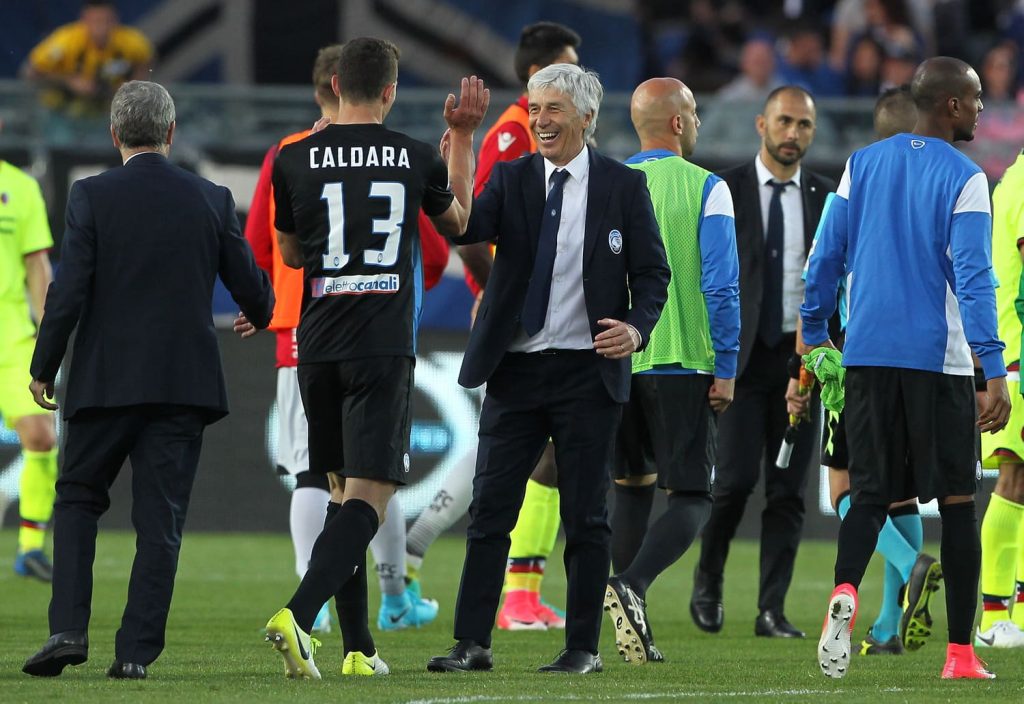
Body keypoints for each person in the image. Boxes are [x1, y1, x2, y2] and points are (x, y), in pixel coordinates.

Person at [21, 80, 275, 680]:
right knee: (160, 520)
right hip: (181, 386)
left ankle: (67, 631)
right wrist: (260, 313)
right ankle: (134, 654)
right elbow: (251, 284)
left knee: (79, 502)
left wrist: (43, 364)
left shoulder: (90, 196)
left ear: (114, 135)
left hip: (103, 380)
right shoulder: (210, 198)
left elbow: (69, 290)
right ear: (170, 132)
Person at [253, 37, 488, 680]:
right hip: (381, 345)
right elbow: (461, 226)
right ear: (389, 91)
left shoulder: (291, 158)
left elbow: (292, 256)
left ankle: (359, 648)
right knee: (372, 495)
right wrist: (461, 139)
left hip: (316, 343)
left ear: (333, 87)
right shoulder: (413, 156)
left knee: (337, 493)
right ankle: (299, 615)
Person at [426, 63, 670, 675]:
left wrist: (637, 328)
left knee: (587, 516)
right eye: (535, 110)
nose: (540, 120)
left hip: (590, 374)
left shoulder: (621, 186)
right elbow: (459, 224)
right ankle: (471, 643)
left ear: (587, 117)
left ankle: (582, 649)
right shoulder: (509, 180)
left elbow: (652, 273)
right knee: (490, 512)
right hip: (517, 369)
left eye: (553, 109)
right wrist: (461, 141)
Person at [803, 56, 1011, 680]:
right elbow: (974, 279)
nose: (979, 109)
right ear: (950, 105)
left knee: (868, 494)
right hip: (937, 362)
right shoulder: (967, 177)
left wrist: (815, 334)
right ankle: (960, 655)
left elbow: (825, 256)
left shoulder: (860, 165)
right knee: (956, 505)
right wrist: (993, 369)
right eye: (974, 99)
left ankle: (845, 590)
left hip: (866, 355)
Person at [404, 19, 581, 632]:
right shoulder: (511, 134)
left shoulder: (541, 133)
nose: (579, 79)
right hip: (521, 319)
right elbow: (469, 221)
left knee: (519, 447)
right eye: (568, 68)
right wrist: (492, 291)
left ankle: (420, 543)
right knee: (535, 452)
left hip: (545, 314)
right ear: (538, 76)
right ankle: (515, 595)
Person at [792, 86, 940, 658]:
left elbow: (819, 272)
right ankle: (885, 625)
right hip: (927, 364)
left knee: (848, 487)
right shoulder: (946, 185)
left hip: (862, 360)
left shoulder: (852, 191)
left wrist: (810, 349)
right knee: (901, 496)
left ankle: (909, 563)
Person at [690, 85, 835, 639]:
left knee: (789, 493)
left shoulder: (825, 198)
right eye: (785, 122)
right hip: (741, 362)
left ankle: (771, 610)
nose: (793, 134)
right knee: (730, 484)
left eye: (803, 124)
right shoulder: (722, 189)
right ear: (760, 124)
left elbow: (836, 284)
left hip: (799, 367)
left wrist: (820, 362)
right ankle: (709, 581)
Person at [604, 77, 739, 665]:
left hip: (616, 360)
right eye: (695, 113)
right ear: (679, 123)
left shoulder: (607, 183)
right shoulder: (708, 188)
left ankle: (632, 621)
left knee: (629, 488)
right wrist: (727, 365)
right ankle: (631, 584)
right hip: (683, 361)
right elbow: (721, 285)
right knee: (692, 496)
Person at [0, 123, 58, 583]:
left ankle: (31, 546)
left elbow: (37, 266)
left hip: (12, 338)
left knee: (40, 435)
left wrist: (47, 333)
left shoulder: (19, 189)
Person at [975, 148, 1024, 649]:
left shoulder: (1014, 177)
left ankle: (1020, 614)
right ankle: (991, 617)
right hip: (1019, 358)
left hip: (1015, 353)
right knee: (1012, 479)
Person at [24, 0, 153, 117]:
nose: (101, 28)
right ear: (84, 20)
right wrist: (69, 81)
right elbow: (31, 71)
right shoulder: (65, 42)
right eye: (96, 21)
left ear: (116, 20)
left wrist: (130, 86)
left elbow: (145, 63)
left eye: (106, 21)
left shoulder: (132, 42)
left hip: (108, 110)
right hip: (61, 110)